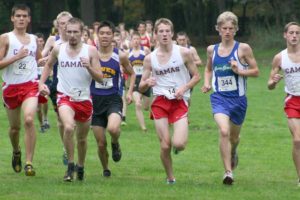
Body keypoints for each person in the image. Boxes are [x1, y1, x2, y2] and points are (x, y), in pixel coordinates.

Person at [39, 17, 103, 182]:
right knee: (68, 127)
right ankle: (70, 166)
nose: (72, 35)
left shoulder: (90, 51)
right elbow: (48, 65)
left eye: (76, 32)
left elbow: (101, 78)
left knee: (82, 139)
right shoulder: (58, 49)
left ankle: (80, 166)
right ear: (64, 32)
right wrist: (41, 83)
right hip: (64, 97)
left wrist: (88, 66)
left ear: (82, 33)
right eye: (69, 32)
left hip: (84, 99)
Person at [139, 18, 200, 184]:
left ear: (172, 33)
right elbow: (141, 87)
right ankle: (170, 177)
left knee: (179, 144)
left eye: (167, 31)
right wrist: (147, 83)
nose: (164, 34)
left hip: (179, 101)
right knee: (165, 145)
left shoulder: (183, 53)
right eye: (161, 31)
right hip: (160, 102)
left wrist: (184, 88)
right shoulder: (150, 58)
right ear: (155, 35)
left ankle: (176, 146)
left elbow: (196, 76)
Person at [201, 11, 259, 185]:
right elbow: (208, 69)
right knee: (224, 131)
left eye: (231, 28)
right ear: (218, 29)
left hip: (239, 101)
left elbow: (256, 71)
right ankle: (228, 172)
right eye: (224, 28)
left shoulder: (243, 49)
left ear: (236, 29)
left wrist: (239, 70)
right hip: (219, 98)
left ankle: (233, 150)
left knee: (233, 138)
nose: (227, 31)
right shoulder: (212, 49)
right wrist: (207, 83)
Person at [91, 20, 135, 177]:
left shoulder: (120, 55)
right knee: (101, 143)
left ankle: (115, 143)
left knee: (113, 129)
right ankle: (106, 168)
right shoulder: (91, 54)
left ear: (113, 36)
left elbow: (132, 73)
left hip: (113, 99)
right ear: (97, 35)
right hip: (95, 102)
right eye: (101, 33)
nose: (104, 36)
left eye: (108, 33)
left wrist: (129, 92)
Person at [0, 4, 40, 176]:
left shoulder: (33, 39)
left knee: (29, 119)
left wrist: (48, 62)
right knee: (15, 128)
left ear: (29, 19)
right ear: (12, 18)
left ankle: (29, 162)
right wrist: (16, 57)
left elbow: (37, 61)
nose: (21, 19)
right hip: (11, 87)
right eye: (18, 16)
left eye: (24, 16)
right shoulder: (5, 38)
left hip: (30, 85)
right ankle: (16, 151)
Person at [267, 22, 300, 186]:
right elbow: (269, 85)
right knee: (297, 141)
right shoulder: (280, 57)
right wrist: (274, 81)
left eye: (297, 33)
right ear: (285, 35)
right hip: (292, 101)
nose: (294, 36)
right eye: (291, 33)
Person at [41, 11, 72, 165]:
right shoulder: (54, 40)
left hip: (77, 85)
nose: (65, 26)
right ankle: (66, 148)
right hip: (58, 85)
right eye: (62, 23)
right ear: (57, 25)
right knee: (61, 121)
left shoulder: (79, 41)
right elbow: (43, 57)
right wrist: (45, 58)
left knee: (76, 123)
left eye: (68, 23)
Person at [129, 31, 151, 131]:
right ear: (131, 41)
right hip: (134, 80)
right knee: (138, 104)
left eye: (138, 39)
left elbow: (152, 61)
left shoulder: (145, 50)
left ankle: (143, 99)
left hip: (145, 79)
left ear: (140, 40)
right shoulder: (128, 54)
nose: (136, 41)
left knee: (146, 107)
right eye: (134, 39)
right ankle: (143, 128)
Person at [36, 32, 50, 133]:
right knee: (37, 107)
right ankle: (41, 124)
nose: (39, 43)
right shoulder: (32, 52)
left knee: (45, 99)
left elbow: (51, 65)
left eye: (41, 41)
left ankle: (45, 119)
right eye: (37, 41)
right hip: (35, 80)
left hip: (45, 79)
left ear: (43, 41)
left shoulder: (49, 53)